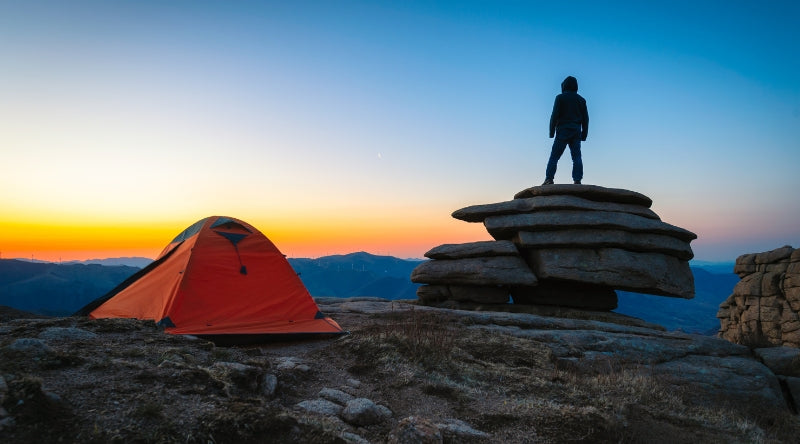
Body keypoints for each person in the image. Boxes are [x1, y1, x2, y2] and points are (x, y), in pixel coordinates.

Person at [542, 75, 589, 185]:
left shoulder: (560, 98)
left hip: (562, 131)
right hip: (576, 131)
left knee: (554, 156)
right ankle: (577, 180)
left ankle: (549, 179)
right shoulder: (582, 100)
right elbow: (586, 119)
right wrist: (584, 134)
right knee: (576, 157)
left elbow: (554, 115)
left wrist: (551, 132)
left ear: (564, 85)